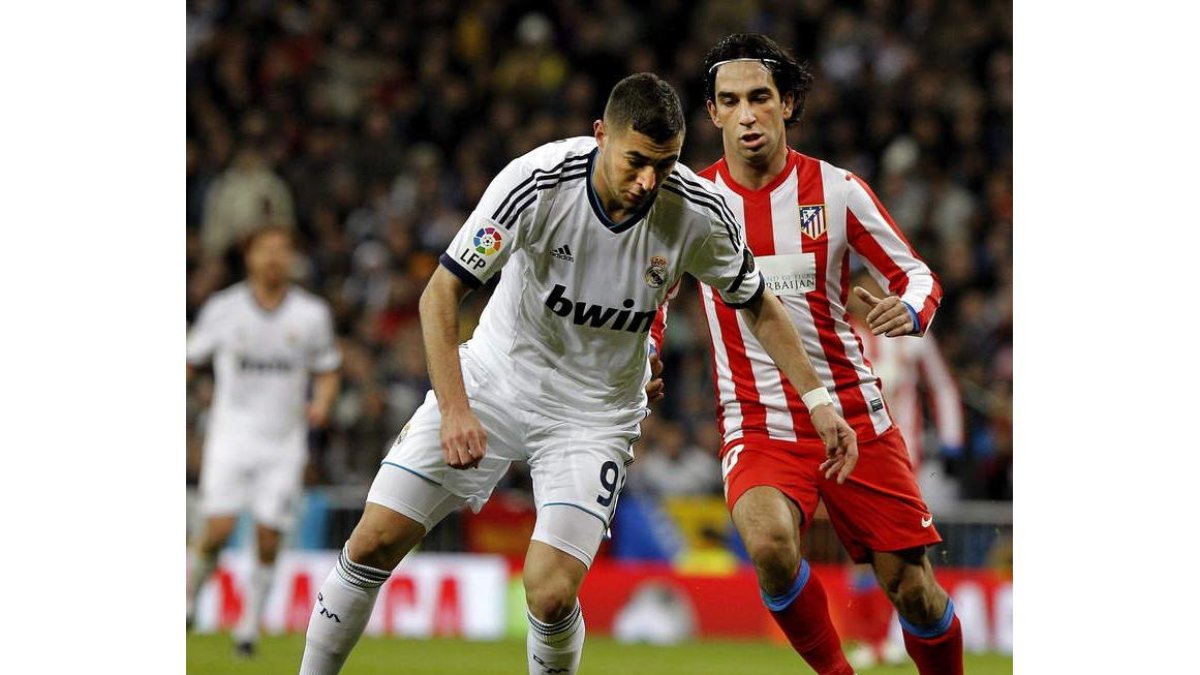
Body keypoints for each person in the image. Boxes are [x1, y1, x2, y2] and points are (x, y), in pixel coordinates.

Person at [296, 72, 856, 675]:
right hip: (494, 378)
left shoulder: (697, 212)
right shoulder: (537, 182)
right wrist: (456, 408)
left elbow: (760, 304)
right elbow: (440, 295)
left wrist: (820, 401)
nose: (648, 181)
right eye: (636, 161)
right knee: (373, 540)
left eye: (663, 166)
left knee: (551, 590)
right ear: (600, 136)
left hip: (594, 413)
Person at [652, 34, 963, 675]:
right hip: (758, 420)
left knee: (914, 591)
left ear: (787, 103)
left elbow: (920, 276)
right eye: (730, 101)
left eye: (760, 98)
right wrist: (650, 351)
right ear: (711, 113)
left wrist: (907, 310)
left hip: (855, 413)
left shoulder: (839, 190)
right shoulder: (692, 206)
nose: (746, 115)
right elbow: (652, 294)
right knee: (768, 543)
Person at [185, 225, 342, 657]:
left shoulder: (310, 314)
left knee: (269, 535)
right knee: (215, 529)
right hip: (230, 437)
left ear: (291, 259)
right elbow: (190, 359)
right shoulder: (224, 309)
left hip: (283, 443)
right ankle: (188, 599)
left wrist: (323, 402)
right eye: (265, 250)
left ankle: (248, 628)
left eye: (281, 250)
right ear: (249, 257)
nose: (273, 258)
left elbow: (327, 368)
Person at [842, 266, 965, 669]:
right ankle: (873, 640)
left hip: (907, 461)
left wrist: (951, 440)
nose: (863, 296)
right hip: (854, 458)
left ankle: (899, 634)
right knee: (859, 555)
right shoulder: (840, 336)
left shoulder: (910, 337)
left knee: (907, 557)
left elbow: (943, 386)